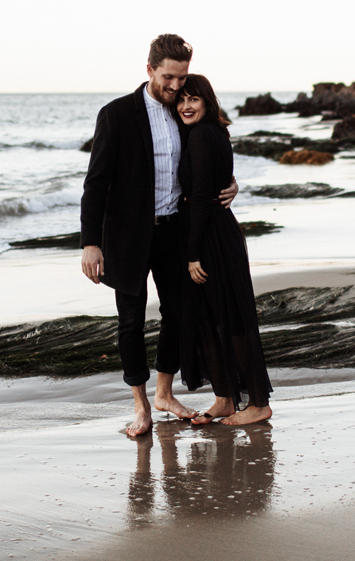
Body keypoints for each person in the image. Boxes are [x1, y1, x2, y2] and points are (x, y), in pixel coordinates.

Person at [80, 35, 238, 438]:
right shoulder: (116, 115)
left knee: (180, 315)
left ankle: (165, 393)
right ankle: (141, 406)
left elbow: (211, 152)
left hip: (174, 231)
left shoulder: (185, 112)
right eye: (168, 76)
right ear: (149, 69)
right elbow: (95, 183)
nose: (175, 86)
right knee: (131, 321)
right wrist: (90, 243)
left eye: (181, 77)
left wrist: (231, 181)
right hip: (127, 237)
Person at [175, 74, 273, 425]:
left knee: (230, 319)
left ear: (207, 102)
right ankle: (225, 398)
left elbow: (201, 197)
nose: (186, 105)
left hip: (211, 238)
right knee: (211, 319)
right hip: (215, 231)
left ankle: (258, 403)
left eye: (194, 100)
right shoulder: (211, 132)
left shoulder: (202, 135)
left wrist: (192, 253)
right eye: (181, 100)